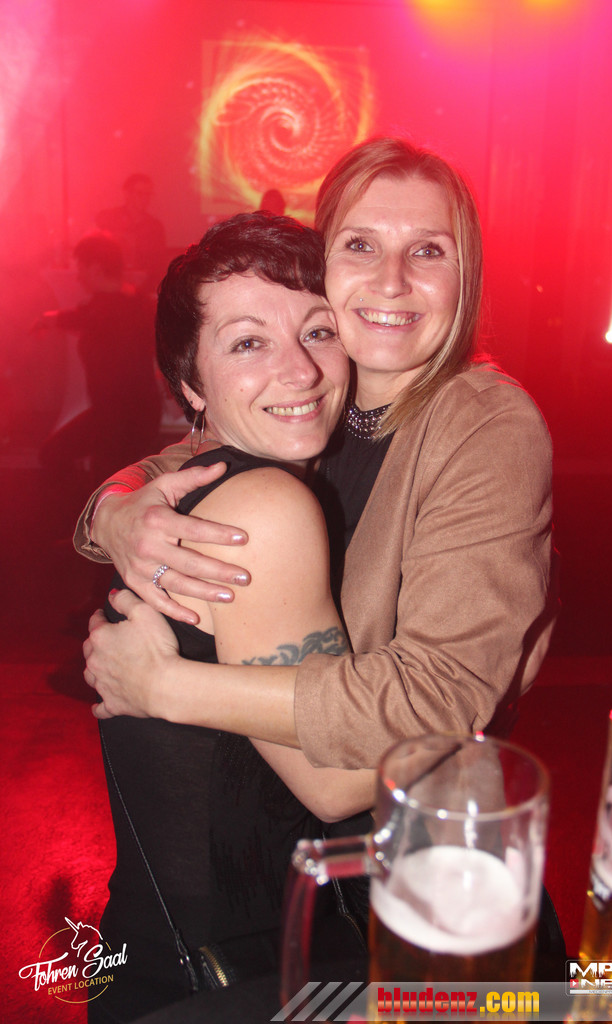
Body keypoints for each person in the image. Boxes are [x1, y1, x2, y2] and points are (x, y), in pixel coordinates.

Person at [80, 137, 556, 770]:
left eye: (428, 250)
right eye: (360, 245)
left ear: (465, 276)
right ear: (322, 261)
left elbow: (437, 701)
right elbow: (197, 453)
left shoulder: (486, 423)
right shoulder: (329, 386)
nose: (392, 280)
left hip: (418, 816)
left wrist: (166, 687)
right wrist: (112, 510)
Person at [90, 212, 373, 1023]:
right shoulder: (267, 507)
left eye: (318, 331)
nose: (300, 369)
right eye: (248, 342)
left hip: (159, 953)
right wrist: (485, 688)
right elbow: (336, 779)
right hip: (247, 978)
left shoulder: (205, 490)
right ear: (190, 384)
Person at [36, 231, 161, 489]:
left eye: (81, 267)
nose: (78, 276)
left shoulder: (109, 309)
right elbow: (81, 315)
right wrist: (49, 319)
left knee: (69, 463)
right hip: (131, 413)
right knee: (110, 483)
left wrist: (48, 319)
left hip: (119, 419)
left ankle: (77, 510)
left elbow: (86, 316)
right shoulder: (132, 303)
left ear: (95, 267)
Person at [96, 174, 168, 292]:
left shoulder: (154, 227)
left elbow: (159, 263)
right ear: (127, 194)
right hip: (113, 287)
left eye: (148, 194)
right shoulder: (109, 219)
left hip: (143, 288)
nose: (144, 198)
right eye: (140, 193)